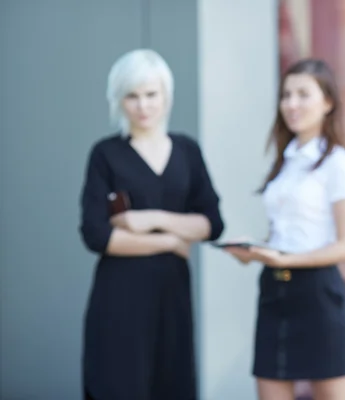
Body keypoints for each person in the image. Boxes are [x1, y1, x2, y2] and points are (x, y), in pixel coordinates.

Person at [79, 49, 224, 400]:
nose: (143, 105)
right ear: (119, 100)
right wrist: (171, 242)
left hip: (172, 297)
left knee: (170, 385)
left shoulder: (187, 151)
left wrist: (150, 219)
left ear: (166, 96)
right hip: (118, 298)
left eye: (151, 94)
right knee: (118, 384)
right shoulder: (105, 154)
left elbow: (212, 223)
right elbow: (98, 235)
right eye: (132, 96)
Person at [223, 59, 345, 400]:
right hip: (274, 292)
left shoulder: (339, 163)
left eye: (303, 94)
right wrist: (254, 251)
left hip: (318, 294)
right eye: (286, 95)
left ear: (328, 103)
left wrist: (282, 258)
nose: (291, 104)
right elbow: (287, 236)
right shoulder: (284, 161)